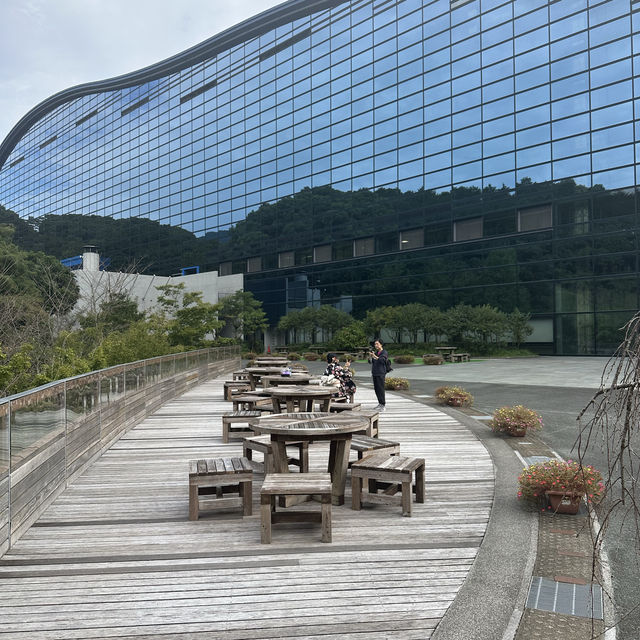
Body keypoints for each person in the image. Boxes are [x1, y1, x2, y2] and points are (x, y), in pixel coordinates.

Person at [368, 339, 389, 411]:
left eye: (377, 344)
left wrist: (374, 356)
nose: (376, 345)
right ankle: (380, 403)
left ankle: (383, 405)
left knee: (380, 389)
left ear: (381, 344)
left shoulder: (384, 352)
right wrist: (371, 356)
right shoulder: (376, 352)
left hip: (381, 373)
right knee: (376, 389)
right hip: (375, 372)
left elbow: (382, 360)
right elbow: (370, 362)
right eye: (375, 344)